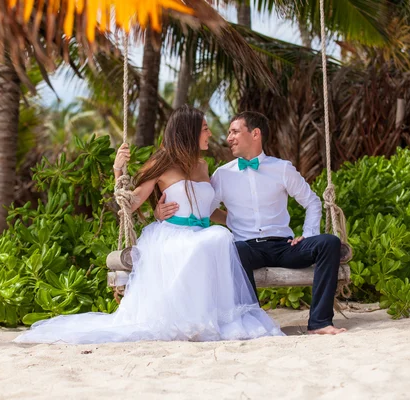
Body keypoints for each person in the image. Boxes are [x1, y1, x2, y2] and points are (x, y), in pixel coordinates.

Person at [14, 105, 284, 344]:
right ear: (189, 132)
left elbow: (210, 210)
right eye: (204, 129)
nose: (210, 134)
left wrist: (248, 226)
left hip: (201, 235)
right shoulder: (162, 162)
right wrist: (119, 172)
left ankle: (210, 316)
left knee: (219, 237)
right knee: (217, 239)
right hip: (174, 237)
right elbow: (131, 204)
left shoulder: (203, 167)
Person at [156, 111, 346, 335]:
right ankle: (254, 324)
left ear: (255, 134)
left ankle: (320, 322)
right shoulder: (222, 175)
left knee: (329, 243)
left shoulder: (282, 169)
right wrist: (162, 212)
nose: (229, 138)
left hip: (284, 245)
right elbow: (201, 209)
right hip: (246, 247)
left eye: (235, 131)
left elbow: (313, 202)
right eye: (229, 133)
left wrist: (309, 233)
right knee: (236, 249)